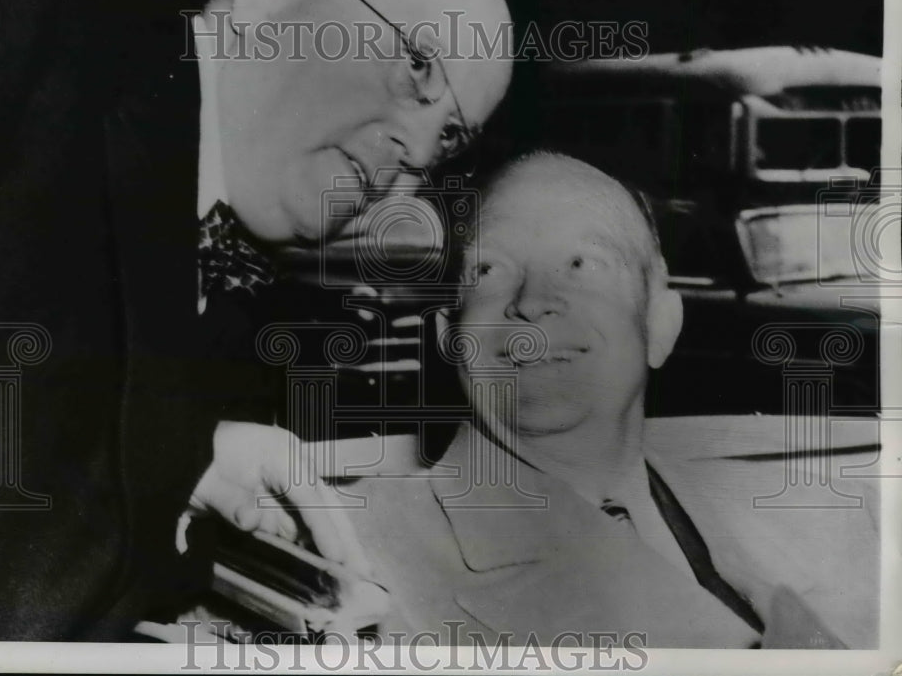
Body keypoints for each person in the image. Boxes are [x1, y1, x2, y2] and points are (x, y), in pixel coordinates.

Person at [0, 0, 513, 640]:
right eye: (420, 67)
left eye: (450, 140)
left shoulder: (221, 311)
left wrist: (181, 455)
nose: (415, 151)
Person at [338, 152, 878, 649]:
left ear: (661, 324)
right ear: (447, 338)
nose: (534, 303)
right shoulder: (361, 554)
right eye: (488, 269)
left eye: (583, 264)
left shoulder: (827, 518)